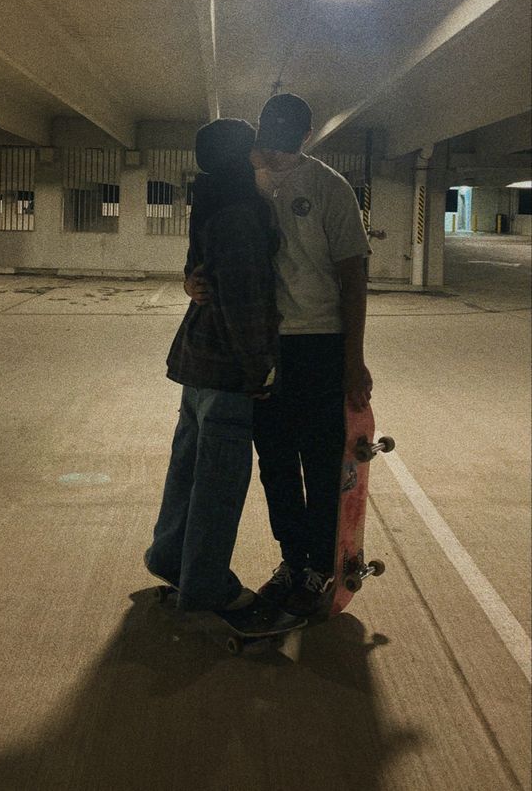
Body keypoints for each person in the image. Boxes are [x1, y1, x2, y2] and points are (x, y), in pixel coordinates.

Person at [185, 93, 372, 616]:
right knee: (275, 463)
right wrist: (191, 277)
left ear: (308, 135)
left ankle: (319, 567)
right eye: (270, 122)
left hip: (319, 344)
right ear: (259, 123)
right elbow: (205, 237)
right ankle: (292, 560)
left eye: (291, 126)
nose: (278, 132)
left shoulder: (328, 187)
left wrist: (353, 360)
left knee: (318, 461)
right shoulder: (240, 178)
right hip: (262, 345)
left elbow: (353, 276)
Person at [145, 117, 304, 636]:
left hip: (198, 364)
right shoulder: (240, 214)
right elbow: (243, 301)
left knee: (187, 472)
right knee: (217, 483)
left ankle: (170, 557)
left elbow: (200, 273)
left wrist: (191, 282)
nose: (260, 153)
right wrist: (261, 368)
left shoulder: (212, 199)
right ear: (242, 156)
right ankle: (207, 584)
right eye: (253, 148)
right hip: (225, 368)